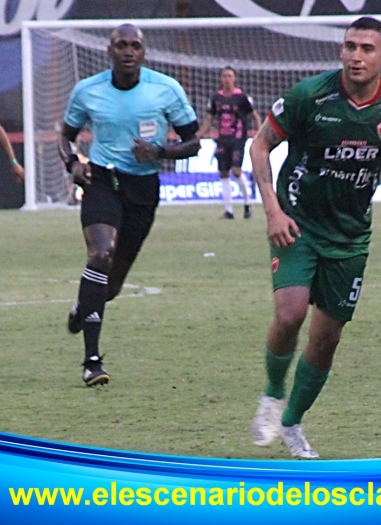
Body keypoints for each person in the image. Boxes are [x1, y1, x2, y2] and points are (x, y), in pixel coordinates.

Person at [248, 16, 381, 459]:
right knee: (290, 314)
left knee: (327, 338)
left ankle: (292, 422)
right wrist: (273, 211)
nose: (356, 56)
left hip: (350, 235)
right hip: (297, 222)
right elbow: (260, 145)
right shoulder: (309, 96)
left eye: (366, 49)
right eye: (350, 46)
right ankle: (272, 394)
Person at [59, 23, 200, 386]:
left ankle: (83, 307)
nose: (127, 51)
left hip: (143, 188)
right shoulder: (87, 90)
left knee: (111, 286)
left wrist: (159, 151)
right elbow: (66, 136)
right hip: (101, 180)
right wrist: (73, 163)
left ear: (143, 51)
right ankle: (92, 361)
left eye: (134, 45)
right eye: (120, 45)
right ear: (109, 51)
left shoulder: (166, 89)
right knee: (100, 254)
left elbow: (194, 142)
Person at [197, 66, 262, 219]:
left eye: (229, 76)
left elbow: (255, 116)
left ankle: (248, 204)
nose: (227, 79)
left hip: (238, 139)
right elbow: (209, 119)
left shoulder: (242, 97)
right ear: (221, 79)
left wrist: (260, 133)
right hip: (222, 139)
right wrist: (199, 135)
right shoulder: (216, 98)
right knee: (223, 173)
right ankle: (229, 210)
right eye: (224, 76)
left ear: (234, 78)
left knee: (236, 170)